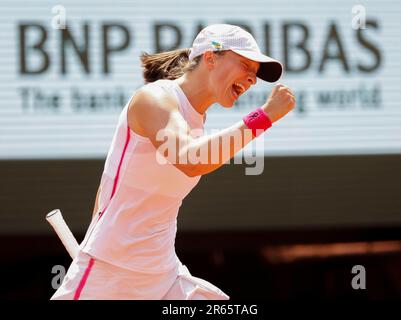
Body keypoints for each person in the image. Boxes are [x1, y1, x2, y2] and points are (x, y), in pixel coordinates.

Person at [51, 24, 295, 300]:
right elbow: (191, 160)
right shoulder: (154, 98)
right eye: (245, 65)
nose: (252, 79)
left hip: (162, 276)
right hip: (110, 273)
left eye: (255, 75)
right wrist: (263, 117)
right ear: (210, 57)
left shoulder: (197, 118)